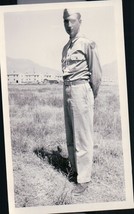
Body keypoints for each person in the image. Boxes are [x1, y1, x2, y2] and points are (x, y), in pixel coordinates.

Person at [62, 8, 95, 195]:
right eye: (65, 21)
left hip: (81, 88)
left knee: (83, 137)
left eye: (72, 21)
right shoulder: (65, 47)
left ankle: (83, 180)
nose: (68, 25)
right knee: (71, 134)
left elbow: (96, 75)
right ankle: (74, 171)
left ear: (80, 21)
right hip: (66, 88)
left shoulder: (87, 44)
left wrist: (89, 95)